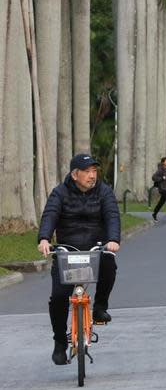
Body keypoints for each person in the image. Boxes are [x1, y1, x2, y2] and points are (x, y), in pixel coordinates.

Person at [37, 154, 121, 365]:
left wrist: (112, 240)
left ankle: (100, 308)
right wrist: (44, 239)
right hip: (68, 250)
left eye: (94, 171)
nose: (92, 176)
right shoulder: (60, 192)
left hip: (96, 247)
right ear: (75, 174)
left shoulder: (104, 191)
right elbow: (50, 215)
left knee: (109, 262)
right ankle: (59, 343)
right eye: (88, 172)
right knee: (58, 296)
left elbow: (112, 215)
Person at [151, 157, 166, 221]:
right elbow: (153, 177)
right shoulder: (160, 170)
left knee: (161, 202)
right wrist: (162, 178)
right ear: (163, 162)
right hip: (162, 188)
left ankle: (154, 214)